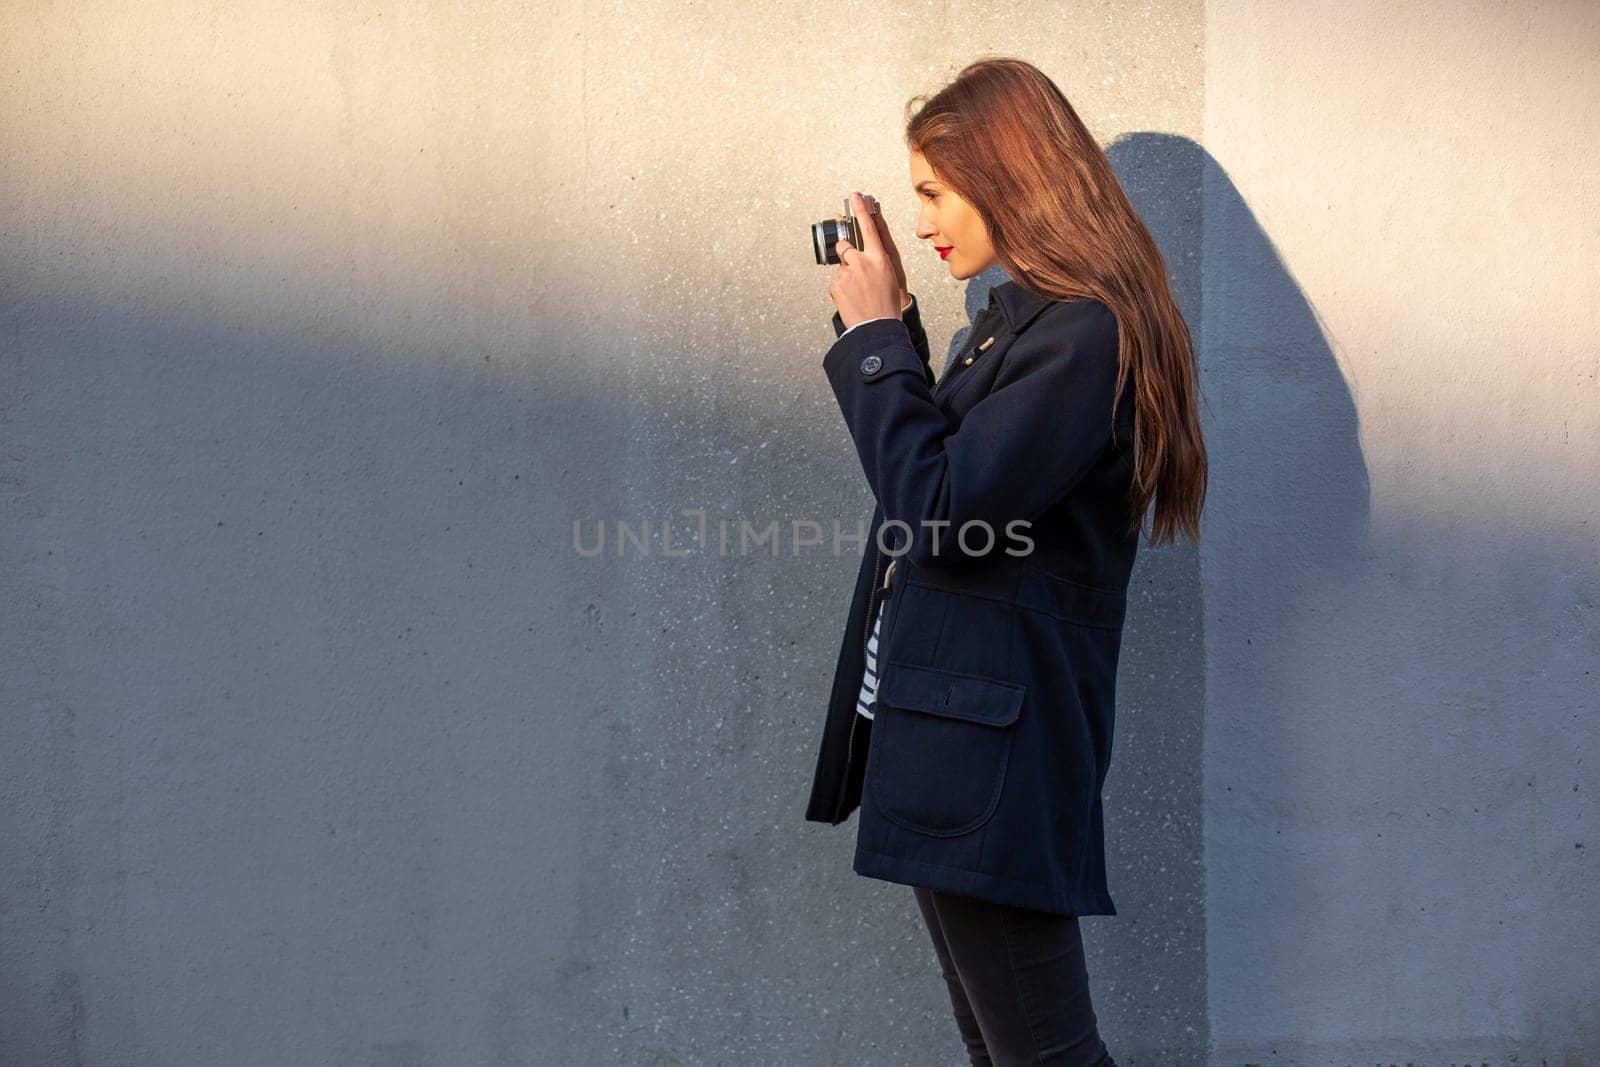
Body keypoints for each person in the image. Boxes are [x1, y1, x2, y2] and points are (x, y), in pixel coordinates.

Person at [807, 57, 1209, 1066]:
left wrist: (868, 341)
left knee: (1042, 1053)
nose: (929, 219)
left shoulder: (1080, 337)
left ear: (1008, 176)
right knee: (1002, 1048)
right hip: (953, 738)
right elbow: (946, 479)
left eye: (936, 193)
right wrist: (892, 325)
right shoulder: (1012, 329)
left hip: (989, 751)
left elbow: (940, 511)